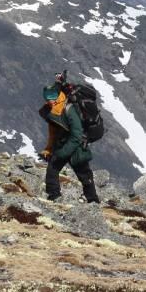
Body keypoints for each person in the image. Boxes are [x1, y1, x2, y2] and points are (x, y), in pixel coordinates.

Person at [39, 71, 99, 203]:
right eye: (47, 96)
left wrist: (63, 152)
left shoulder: (68, 109)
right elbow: (53, 132)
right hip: (63, 144)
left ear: (59, 95)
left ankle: (93, 201)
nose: (50, 99)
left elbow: (77, 134)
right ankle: (54, 197)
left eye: (53, 95)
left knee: (84, 175)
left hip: (76, 147)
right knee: (53, 168)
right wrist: (49, 149)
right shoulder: (53, 110)